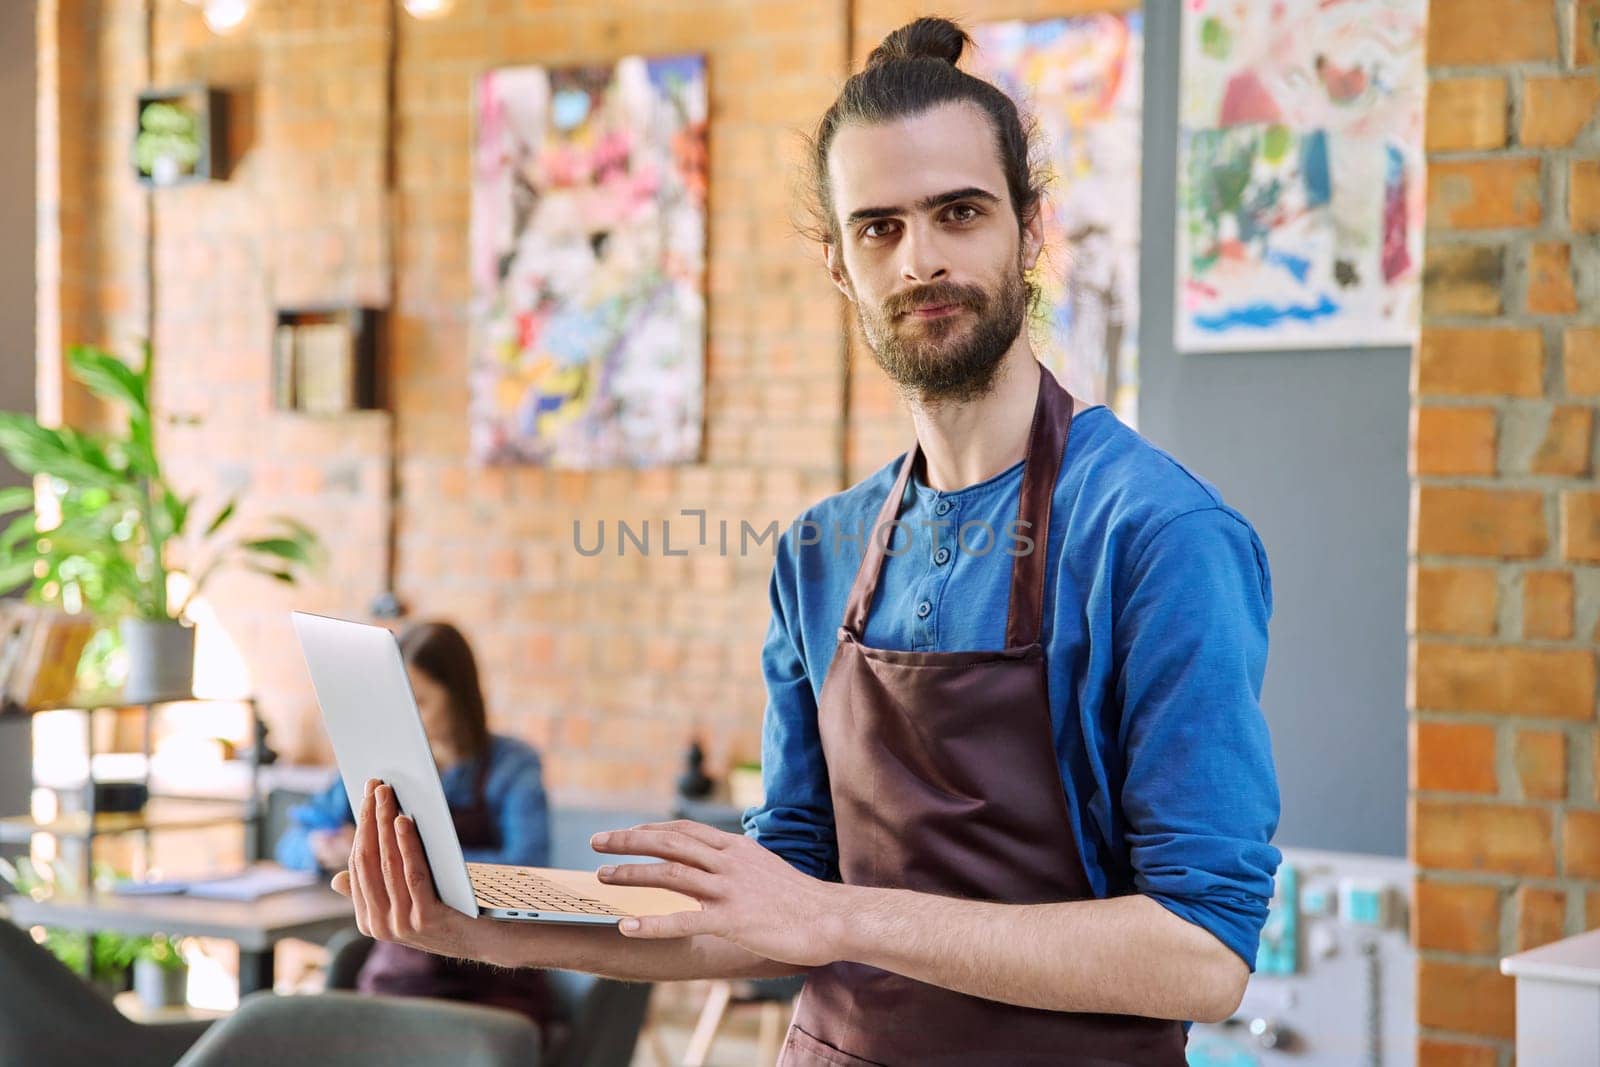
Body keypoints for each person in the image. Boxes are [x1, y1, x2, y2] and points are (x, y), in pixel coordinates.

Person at [334, 17, 1280, 1066]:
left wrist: (839, 917)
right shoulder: (819, 551)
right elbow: (773, 892)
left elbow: (1203, 951)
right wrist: (480, 927)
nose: (920, 258)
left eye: (958, 212)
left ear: (1029, 228)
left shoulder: (1155, 536)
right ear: (838, 265)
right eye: (878, 228)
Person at [278, 620, 554, 1030]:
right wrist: (324, 847)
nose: (408, 717)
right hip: (400, 972)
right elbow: (291, 842)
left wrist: (410, 859)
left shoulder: (511, 767)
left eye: (420, 702)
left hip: (491, 976)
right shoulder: (379, 762)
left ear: (459, 697)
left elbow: (527, 867)